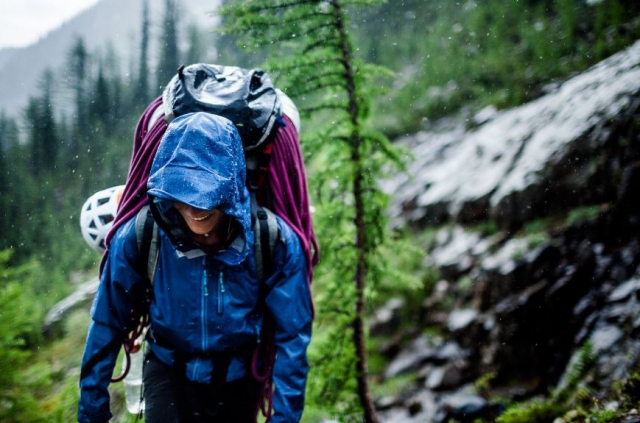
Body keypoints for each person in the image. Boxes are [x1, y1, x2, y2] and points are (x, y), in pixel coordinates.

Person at [77, 112, 313, 423]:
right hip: (167, 374)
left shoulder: (273, 241)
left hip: (239, 380)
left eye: (206, 194)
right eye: (182, 192)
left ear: (231, 185)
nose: (194, 207)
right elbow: (107, 321)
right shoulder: (141, 234)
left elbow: (292, 338)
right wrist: (92, 409)